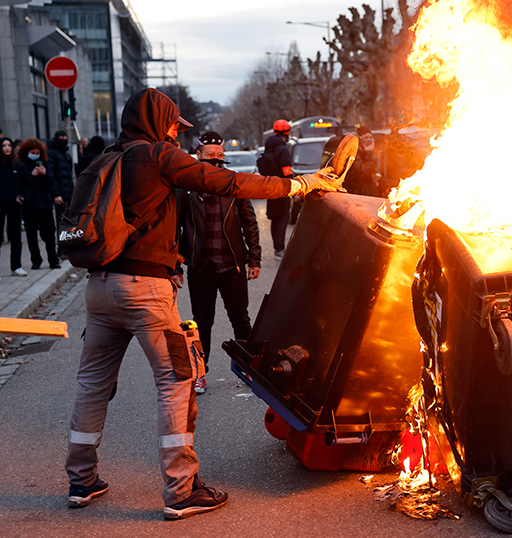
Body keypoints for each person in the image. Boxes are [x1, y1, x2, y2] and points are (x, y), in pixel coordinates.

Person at [64, 88, 342, 519]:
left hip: (98, 288)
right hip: (145, 290)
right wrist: (298, 185)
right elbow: (227, 182)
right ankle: (181, 489)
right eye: (174, 124)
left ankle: (81, 480)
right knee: (177, 382)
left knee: (92, 384)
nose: (176, 132)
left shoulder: (106, 158)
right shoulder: (159, 156)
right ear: (160, 122)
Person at [176, 131, 261, 395]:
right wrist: (174, 264)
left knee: (240, 319)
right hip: (200, 267)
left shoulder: (233, 185)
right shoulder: (186, 188)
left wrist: (254, 258)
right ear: (198, 155)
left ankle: (250, 368)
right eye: (210, 155)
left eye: (220, 156)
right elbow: (173, 227)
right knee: (201, 323)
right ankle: (200, 374)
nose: (216, 160)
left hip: (231, 264)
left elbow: (250, 223)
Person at [17, 138, 62, 270]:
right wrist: (32, 175)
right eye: (32, 152)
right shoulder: (22, 165)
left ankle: (53, 260)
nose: (35, 154)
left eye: (37, 152)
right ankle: (35, 260)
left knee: (49, 234)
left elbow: (51, 182)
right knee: (31, 236)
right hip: (29, 205)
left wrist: (44, 174)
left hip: (44, 204)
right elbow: (22, 184)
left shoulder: (45, 164)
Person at [260, 119, 293, 259]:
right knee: (283, 220)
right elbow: (287, 172)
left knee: (275, 219)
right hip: (282, 189)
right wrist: (293, 186)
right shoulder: (283, 149)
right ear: (287, 133)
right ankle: (280, 250)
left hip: (270, 188)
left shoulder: (269, 147)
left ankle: (277, 248)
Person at [0, 137, 26, 276]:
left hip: (15, 205)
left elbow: (27, 184)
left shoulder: (18, 165)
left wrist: (21, 196)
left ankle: (16, 266)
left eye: (9, 145)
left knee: (16, 236)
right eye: (4, 145)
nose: (7, 148)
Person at [47, 130, 74, 259]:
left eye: (65, 137)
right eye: (61, 137)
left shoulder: (66, 155)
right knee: (61, 222)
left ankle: (66, 247)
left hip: (68, 194)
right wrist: (56, 194)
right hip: (60, 195)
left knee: (68, 223)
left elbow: (69, 176)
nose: (64, 139)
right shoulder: (52, 154)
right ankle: (61, 248)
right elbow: (51, 176)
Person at [343, 126, 380, 196]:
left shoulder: (367, 152)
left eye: (371, 137)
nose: (369, 140)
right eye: (366, 137)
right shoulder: (354, 153)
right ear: (360, 139)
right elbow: (365, 171)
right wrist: (369, 153)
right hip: (359, 193)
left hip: (368, 191)